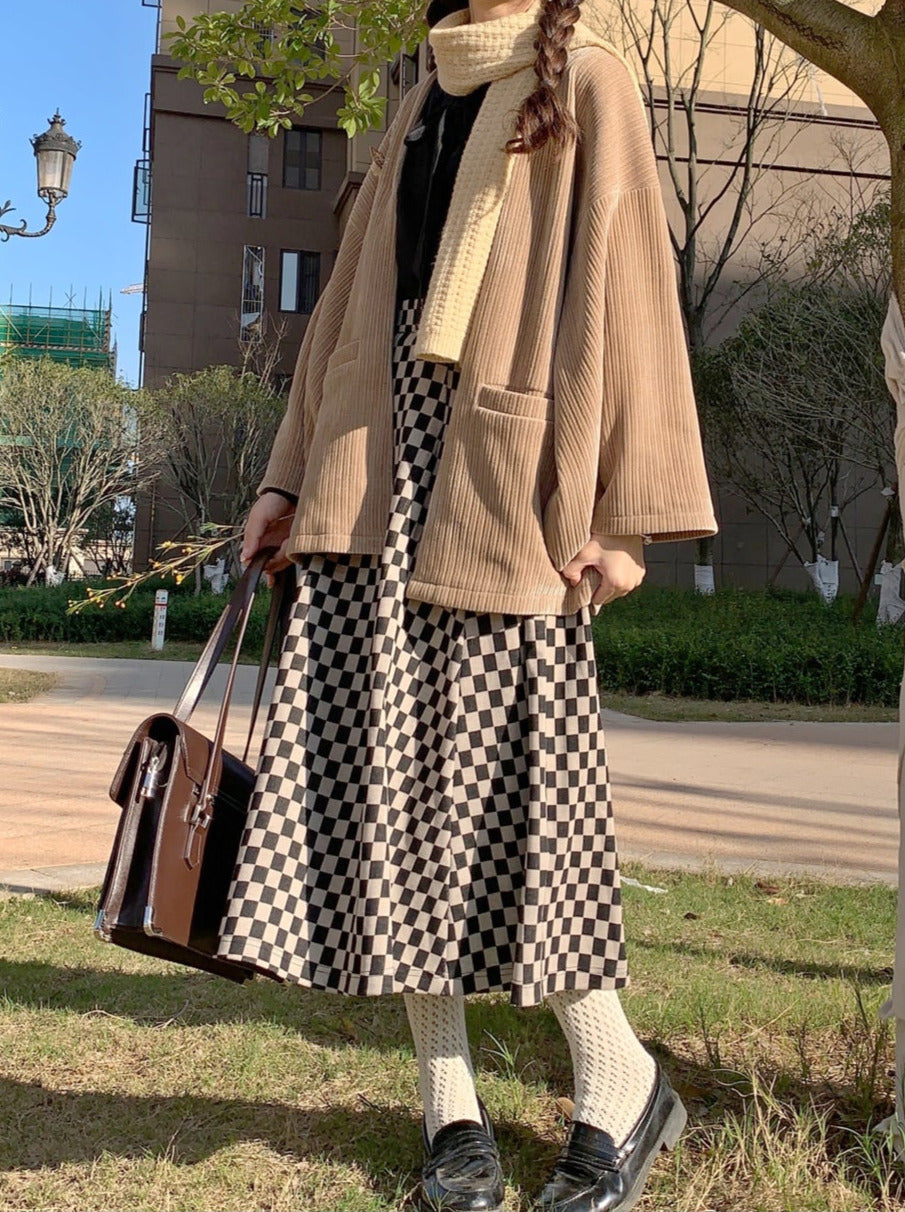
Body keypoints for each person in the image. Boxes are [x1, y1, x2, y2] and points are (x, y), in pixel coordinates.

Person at [218, 1, 718, 1209]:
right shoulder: (416, 98)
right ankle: (448, 1103)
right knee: (387, 790)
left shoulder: (590, 77)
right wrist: (285, 476)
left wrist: (617, 516)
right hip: (369, 467)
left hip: (503, 482)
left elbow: (632, 282)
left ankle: (617, 1077)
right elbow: (344, 305)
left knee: (520, 794)